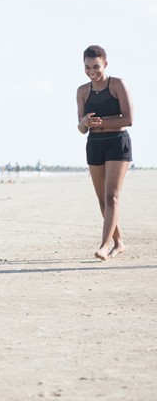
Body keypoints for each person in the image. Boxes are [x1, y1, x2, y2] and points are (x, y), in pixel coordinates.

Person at [77, 45, 133, 261]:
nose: (92, 71)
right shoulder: (82, 91)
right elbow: (82, 129)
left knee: (112, 197)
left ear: (105, 64)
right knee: (102, 200)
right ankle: (119, 242)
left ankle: (104, 245)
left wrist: (99, 123)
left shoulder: (118, 84)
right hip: (94, 144)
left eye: (96, 67)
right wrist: (84, 123)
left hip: (117, 142)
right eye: (87, 67)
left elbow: (128, 119)